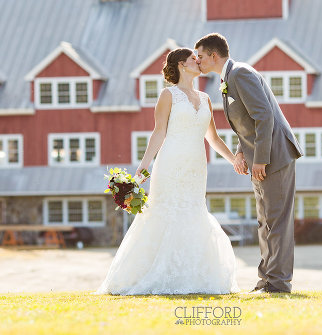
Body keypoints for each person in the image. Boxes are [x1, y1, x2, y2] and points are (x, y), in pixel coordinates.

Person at [96, 47, 240, 295]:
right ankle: (149, 274)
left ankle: (192, 275)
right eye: (194, 59)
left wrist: (234, 160)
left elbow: (213, 139)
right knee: (164, 212)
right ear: (182, 65)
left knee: (194, 212)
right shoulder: (168, 95)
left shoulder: (206, 98)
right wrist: (142, 169)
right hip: (170, 163)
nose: (199, 62)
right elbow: (159, 132)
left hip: (196, 166)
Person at [195, 33, 302, 294]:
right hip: (257, 158)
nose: (197, 61)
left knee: (277, 222)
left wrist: (261, 160)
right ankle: (266, 280)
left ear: (213, 56)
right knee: (265, 222)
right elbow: (247, 123)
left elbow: (263, 116)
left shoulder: (240, 73)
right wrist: (241, 152)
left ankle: (279, 283)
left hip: (273, 157)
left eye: (199, 56)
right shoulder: (228, 78)